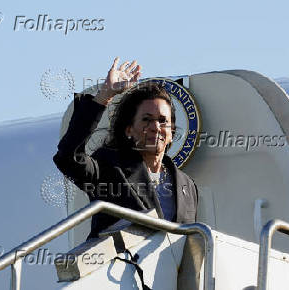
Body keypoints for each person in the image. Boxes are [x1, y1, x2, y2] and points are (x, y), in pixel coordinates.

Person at [53, 57, 199, 239]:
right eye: (146, 119)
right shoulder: (110, 168)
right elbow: (68, 157)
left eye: (163, 121)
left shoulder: (187, 185)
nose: (155, 127)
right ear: (129, 129)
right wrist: (104, 95)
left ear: (172, 131)